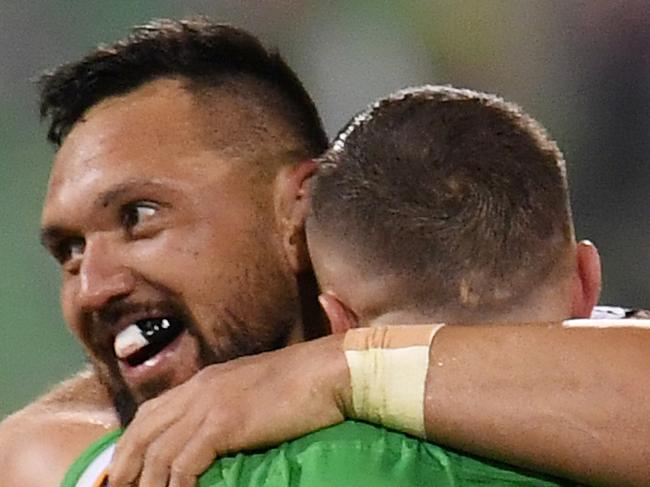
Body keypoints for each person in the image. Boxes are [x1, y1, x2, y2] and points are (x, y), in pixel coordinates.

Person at [0, 17, 647, 487]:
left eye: (139, 215)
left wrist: (336, 371)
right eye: (71, 252)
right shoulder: (73, 447)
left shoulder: (582, 375)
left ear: (299, 205)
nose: (93, 286)